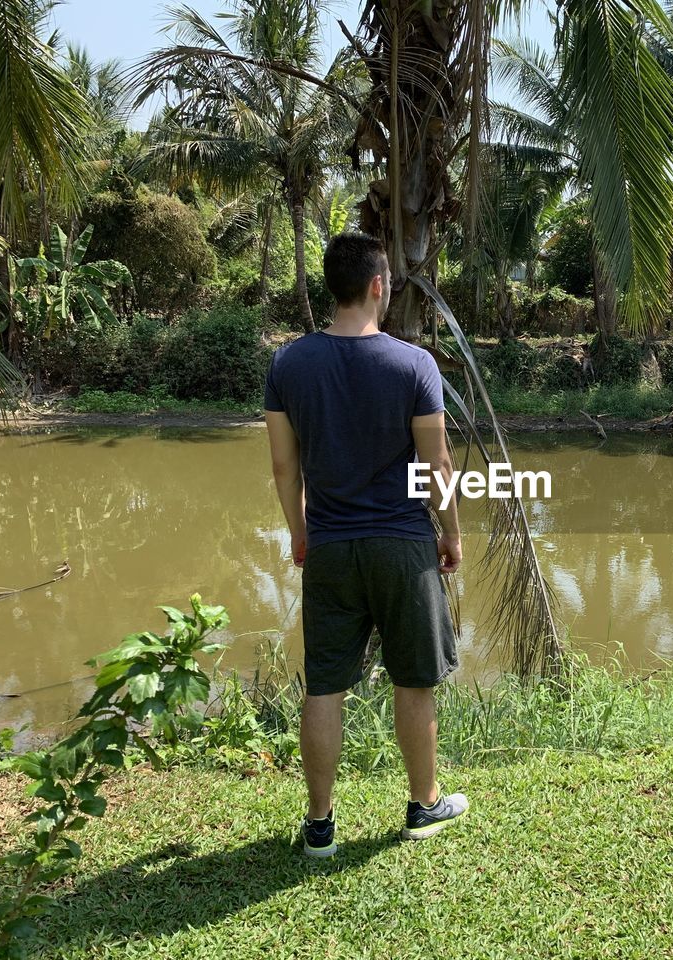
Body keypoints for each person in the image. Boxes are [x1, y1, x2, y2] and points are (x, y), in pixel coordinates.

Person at [263, 232, 467, 855]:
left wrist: (302, 534)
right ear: (379, 285)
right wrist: (451, 533)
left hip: (330, 545)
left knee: (323, 684)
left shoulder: (289, 364)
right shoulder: (414, 365)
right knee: (414, 679)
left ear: (332, 287)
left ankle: (320, 826)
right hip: (404, 545)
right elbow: (436, 464)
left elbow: (283, 469)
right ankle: (423, 804)